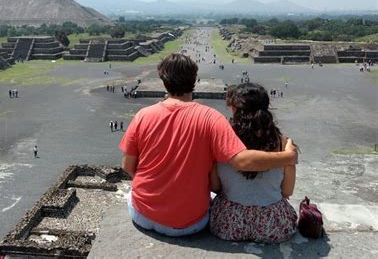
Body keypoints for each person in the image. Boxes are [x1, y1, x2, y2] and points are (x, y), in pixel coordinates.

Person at [119, 54, 298, 237]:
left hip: (143, 216)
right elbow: (242, 161)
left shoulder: (143, 115)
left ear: (164, 82)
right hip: (189, 224)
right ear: (194, 80)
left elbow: (127, 166)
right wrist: (288, 157)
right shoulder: (211, 118)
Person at [210, 83, 297, 243]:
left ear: (235, 109)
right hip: (273, 225)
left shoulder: (222, 141)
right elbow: (287, 191)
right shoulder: (282, 143)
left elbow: (215, 187)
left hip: (228, 224)